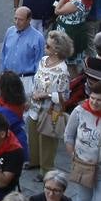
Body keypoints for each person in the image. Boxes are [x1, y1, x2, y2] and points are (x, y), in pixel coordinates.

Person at [27, 31, 73, 178]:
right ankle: (34, 161)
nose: (44, 47)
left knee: (47, 140)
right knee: (33, 135)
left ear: (57, 50)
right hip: (35, 106)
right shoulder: (43, 60)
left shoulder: (62, 71)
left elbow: (64, 96)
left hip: (50, 110)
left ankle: (46, 170)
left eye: (48, 45)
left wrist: (45, 95)